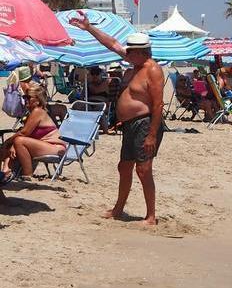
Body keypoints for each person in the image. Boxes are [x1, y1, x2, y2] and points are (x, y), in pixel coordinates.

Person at [68, 15, 165, 226]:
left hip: (146, 124)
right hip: (130, 125)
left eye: (131, 51)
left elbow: (158, 105)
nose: (126, 53)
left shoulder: (153, 70)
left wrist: (151, 135)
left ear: (142, 52)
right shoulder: (134, 65)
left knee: (144, 169)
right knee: (124, 167)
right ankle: (118, 209)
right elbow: (112, 43)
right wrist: (88, 27)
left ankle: (151, 216)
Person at [0, 85, 65, 183]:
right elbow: (25, 134)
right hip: (44, 146)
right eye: (24, 97)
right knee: (13, 145)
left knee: (18, 141)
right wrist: (11, 145)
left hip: (55, 147)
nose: (25, 99)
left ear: (38, 100)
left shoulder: (38, 111)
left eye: (28, 97)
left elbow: (24, 133)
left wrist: (8, 142)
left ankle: (27, 175)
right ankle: (5, 172)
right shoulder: (31, 113)